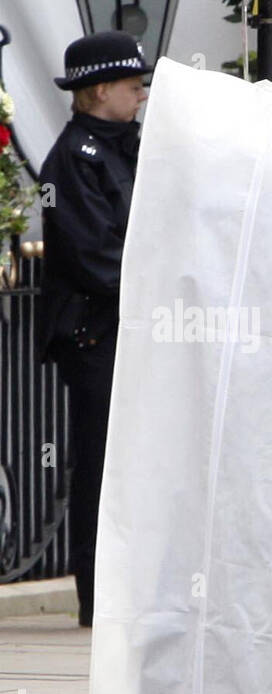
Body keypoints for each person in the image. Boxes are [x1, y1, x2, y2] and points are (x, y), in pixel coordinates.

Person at [38, 31, 149, 627]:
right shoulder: (74, 159)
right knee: (103, 462)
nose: (140, 96)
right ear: (100, 89)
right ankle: (97, 592)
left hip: (127, 327)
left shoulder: (124, 146)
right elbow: (93, 255)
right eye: (133, 87)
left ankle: (127, 585)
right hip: (96, 333)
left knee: (134, 463)